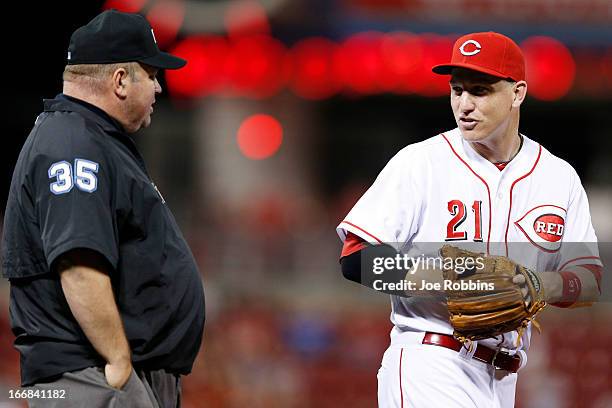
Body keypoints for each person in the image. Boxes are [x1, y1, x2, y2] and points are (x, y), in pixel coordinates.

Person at [337, 32, 602, 407]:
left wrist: (537, 286)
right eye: (457, 90)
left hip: (502, 377)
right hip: (431, 361)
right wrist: (454, 281)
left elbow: (589, 278)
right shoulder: (421, 162)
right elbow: (355, 257)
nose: (464, 104)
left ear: (518, 93)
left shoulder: (557, 177)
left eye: (479, 91)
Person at [1, 10, 205, 407]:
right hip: (89, 373)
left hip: (103, 375)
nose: (159, 88)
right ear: (121, 80)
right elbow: (79, 265)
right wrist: (117, 361)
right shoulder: (75, 144)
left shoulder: (89, 138)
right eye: (152, 74)